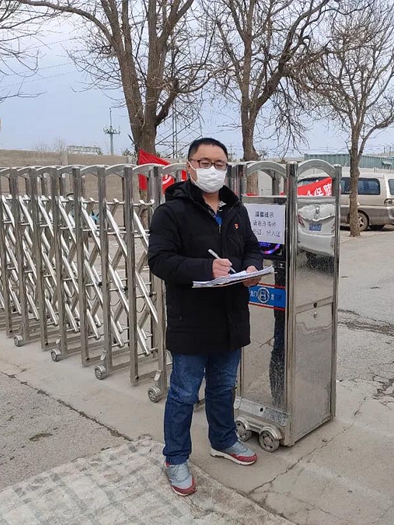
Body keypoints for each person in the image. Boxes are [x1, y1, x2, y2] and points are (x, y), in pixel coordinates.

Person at [147, 137, 263, 497]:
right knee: (184, 392)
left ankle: (223, 439)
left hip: (231, 316)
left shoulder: (235, 209)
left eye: (219, 164)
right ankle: (175, 457)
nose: (212, 169)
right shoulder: (171, 212)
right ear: (189, 166)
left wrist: (252, 268)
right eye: (204, 162)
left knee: (223, 386)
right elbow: (160, 260)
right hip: (192, 320)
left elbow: (252, 247)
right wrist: (205, 268)